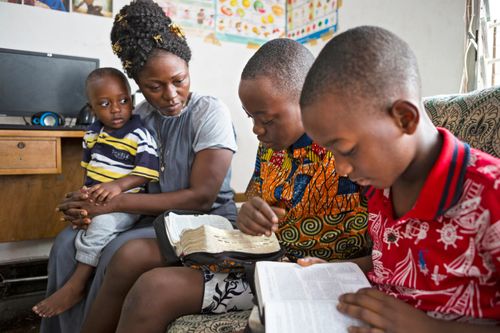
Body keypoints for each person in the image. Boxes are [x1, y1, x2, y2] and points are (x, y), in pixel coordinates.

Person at [81, 37, 371, 333]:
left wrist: (333, 269)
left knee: (156, 290)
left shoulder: (352, 153)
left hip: (316, 275)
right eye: (250, 117)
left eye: (266, 119)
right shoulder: (272, 146)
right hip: (265, 262)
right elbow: (254, 205)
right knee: (145, 281)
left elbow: (388, 252)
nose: (257, 130)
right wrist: (249, 214)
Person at [40, 0, 238, 331]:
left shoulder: (208, 113)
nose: (171, 95)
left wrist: (112, 204)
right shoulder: (140, 117)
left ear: (189, 68)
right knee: (66, 243)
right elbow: (116, 175)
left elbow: (201, 198)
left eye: (180, 80)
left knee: (120, 250)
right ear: (137, 87)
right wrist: (85, 202)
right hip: (150, 216)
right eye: (154, 87)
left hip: (204, 220)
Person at [299, 26, 500, 332]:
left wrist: (428, 328)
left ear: (404, 118)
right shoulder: (380, 186)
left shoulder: (490, 194)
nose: (341, 169)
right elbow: (391, 262)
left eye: (347, 150)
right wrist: (337, 271)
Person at [33, 67, 160, 318]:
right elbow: (90, 170)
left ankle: (77, 284)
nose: (116, 109)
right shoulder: (92, 134)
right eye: (105, 103)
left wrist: (118, 186)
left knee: (100, 226)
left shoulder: (139, 134)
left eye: (123, 101)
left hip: (127, 202)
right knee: (76, 221)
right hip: (99, 197)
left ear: (131, 100)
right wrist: (84, 195)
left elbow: (147, 172)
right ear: (91, 107)